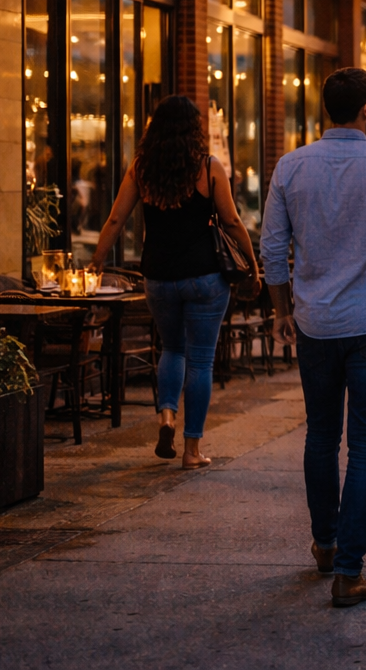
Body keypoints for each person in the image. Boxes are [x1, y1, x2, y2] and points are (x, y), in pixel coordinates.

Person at [262, 68, 366, 607]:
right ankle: (349, 571)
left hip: (315, 322)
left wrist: (281, 310)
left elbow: (272, 247)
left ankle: (326, 544)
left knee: (320, 435)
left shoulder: (291, 166)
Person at [87, 95, 260, 470]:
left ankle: (166, 415)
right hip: (205, 278)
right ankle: (192, 450)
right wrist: (252, 264)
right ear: (194, 130)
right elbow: (232, 222)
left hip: (159, 278)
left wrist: (96, 262)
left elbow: (115, 220)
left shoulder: (141, 168)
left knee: (171, 349)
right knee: (200, 360)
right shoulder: (208, 168)